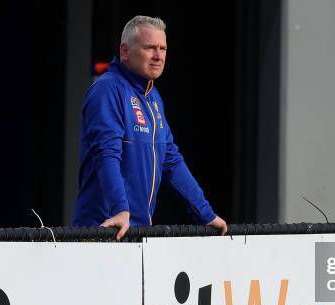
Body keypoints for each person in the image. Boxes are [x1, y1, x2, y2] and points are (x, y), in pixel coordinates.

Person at [72, 16, 227, 239]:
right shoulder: (107, 89)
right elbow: (106, 153)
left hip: (136, 233)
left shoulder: (153, 97)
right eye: (150, 48)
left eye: (163, 48)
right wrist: (119, 210)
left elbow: (171, 159)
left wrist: (205, 214)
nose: (158, 56)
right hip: (104, 229)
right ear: (125, 51)